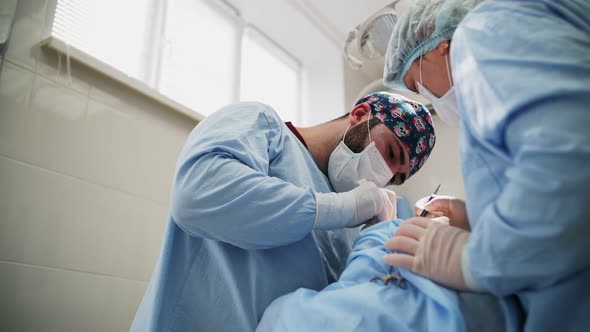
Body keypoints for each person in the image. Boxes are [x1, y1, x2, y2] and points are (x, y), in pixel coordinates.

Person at [130, 91, 436, 331]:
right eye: (391, 152)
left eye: (396, 177)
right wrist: (343, 207)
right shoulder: (263, 127)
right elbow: (197, 194)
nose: (384, 176)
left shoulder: (354, 225)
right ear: (359, 115)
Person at [381, 0, 590, 330]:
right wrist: (480, 222)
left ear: (438, 45)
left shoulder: (482, 31)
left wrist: (476, 259)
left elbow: (570, 164)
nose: (427, 98)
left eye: (415, 83)